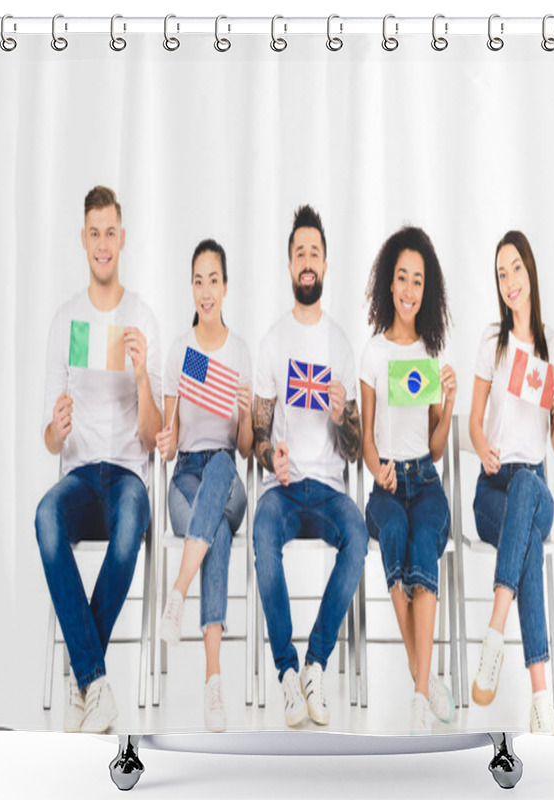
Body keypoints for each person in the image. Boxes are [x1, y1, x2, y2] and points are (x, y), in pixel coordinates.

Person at [35, 186, 162, 733]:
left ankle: (82, 676)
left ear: (123, 239)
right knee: (44, 519)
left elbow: (155, 434)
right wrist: (56, 430)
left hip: (129, 474)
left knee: (133, 524)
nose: (103, 243)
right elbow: (48, 438)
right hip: (81, 476)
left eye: (112, 232)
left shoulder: (143, 316)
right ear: (83, 239)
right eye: (95, 233)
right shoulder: (65, 319)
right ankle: (95, 679)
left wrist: (140, 375)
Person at [252, 205, 368, 728]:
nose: (306, 261)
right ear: (288, 264)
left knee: (359, 535)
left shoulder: (341, 345)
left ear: (325, 265)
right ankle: (285, 673)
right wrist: (266, 451)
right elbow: (257, 429)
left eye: (314, 253)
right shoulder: (274, 341)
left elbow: (354, 446)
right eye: (298, 252)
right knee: (261, 532)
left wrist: (344, 416)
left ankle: (316, 664)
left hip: (328, 489)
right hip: (284, 486)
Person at [469, 230, 554, 734]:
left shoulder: (551, 347)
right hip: (493, 488)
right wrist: (483, 446)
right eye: (501, 272)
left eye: (515, 268)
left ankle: (494, 631)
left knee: (531, 488)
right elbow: (472, 421)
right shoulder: (493, 342)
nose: (509, 280)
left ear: (530, 271)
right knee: (526, 536)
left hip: (532, 485)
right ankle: (540, 697)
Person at [360, 226, 457, 734]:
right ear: (388, 284)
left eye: (418, 280)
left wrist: (449, 408)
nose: (409, 289)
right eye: (402, 278)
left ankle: (419, 691)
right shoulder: (374, 353)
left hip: (426, 479)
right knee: (394, 532)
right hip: (386, 486)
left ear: (428, 289)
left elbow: (437, 445)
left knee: (423, 538)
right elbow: (367, 438)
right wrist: (378, 467)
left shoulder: (429, 352)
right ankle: (424, 675)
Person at [156, 239, 253, 733]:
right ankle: (214, 681)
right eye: (198, 280)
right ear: (191, 289)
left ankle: (178, 591)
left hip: (225, 472)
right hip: (184, 478)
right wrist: (168, 439)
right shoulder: (182, 350)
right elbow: (168, 444)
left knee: (219, 467)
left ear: (226, 286)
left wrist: (242, 412)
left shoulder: (239, 351)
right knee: (211, 530)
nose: (206, 290)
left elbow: (244, 445)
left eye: (213, 279)